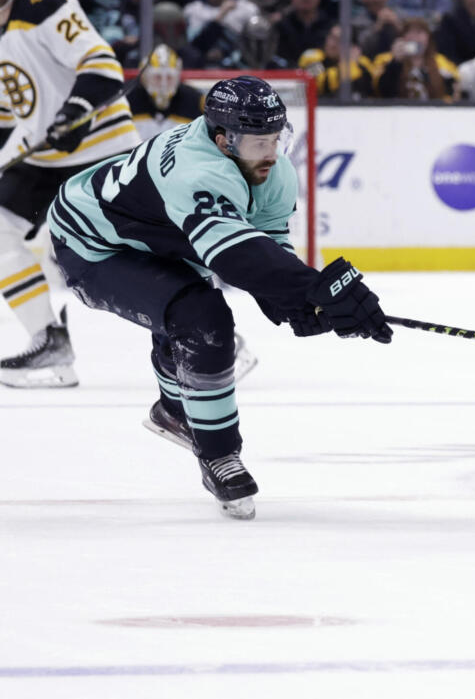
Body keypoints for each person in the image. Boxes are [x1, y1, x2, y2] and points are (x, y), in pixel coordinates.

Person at [47, 75, 393, 519]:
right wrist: (319, 288)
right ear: (223, 139)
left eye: (277, 138)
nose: (271, 153)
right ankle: (218, 452)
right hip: (93, 244)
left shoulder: (272, 168)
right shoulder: (198, 170)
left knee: (187, 309)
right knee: (202, 317)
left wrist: (297, 304)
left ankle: (174, 410)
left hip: (159, 234)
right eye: (258, 142)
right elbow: (236, 257)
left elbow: (266, 239)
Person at [0, 0, 142, 387]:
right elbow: (7, 116)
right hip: (42, 154)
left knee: (141, 252)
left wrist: (74, 112)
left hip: (102, 144)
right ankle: (49, 343)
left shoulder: (45, 5)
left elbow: (102, 66)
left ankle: (215, 338)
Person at [184, 0, 262, 67]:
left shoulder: (248, 9)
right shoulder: (193, 10)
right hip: (201, 70)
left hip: (239, 70)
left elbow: (255, 48)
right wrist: (220, 15)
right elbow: (194, 47)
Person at [127, 44, 205, 140]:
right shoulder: (127, 101)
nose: (163, 84)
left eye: (169, 78)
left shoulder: (196, 101)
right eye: (157, 77)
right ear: (145, 77)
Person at [374, 17, 459, 100]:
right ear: (401, 37)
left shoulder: (441, 62)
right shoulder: (384, 60)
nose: (414, 37)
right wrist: (395, 62)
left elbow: (453, 92)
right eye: (409, 33)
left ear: (428, 38)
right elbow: (381, 92)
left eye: (419, 32)